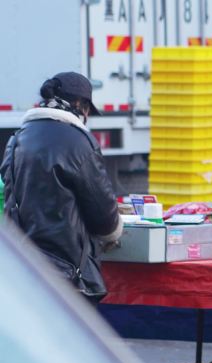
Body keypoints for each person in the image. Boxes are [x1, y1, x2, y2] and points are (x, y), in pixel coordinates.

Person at [1, 72, 122, 304]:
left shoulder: (17, 140)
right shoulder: (79, 143)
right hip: (66, 272)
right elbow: (104, 220)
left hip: (24, 266)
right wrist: (117, 227)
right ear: (80, 104)